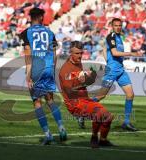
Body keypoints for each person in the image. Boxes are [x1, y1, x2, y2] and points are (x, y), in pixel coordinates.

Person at [19, 7, 67, 145]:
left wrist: (28, 75)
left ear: (31, 18)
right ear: (40, 17)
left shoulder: (26, 33)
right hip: (48, 68)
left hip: (36, 69)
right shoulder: (50, 32)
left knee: (37, 102)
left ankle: (48, 135)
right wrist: (52, 69)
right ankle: (62, 128)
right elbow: (54, 53)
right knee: (50, 100)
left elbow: (28, 55)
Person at [59, 41, 114, 148]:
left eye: (81, 53)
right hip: (74, 103)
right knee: (99, 114)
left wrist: (90, 78)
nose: (79, 56)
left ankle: (103, 140)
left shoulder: (78, 64)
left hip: (84, 100)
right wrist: (84, 81)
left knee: (108, 117)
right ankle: (94, 137)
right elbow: (69, 91)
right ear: (70, 53)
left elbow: (82, 82)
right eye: (76, 53)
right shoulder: (65, 70)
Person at [94, 18, 144, 131]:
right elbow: (114, 53)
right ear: (112, 26)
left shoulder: (119, 37)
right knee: (101, 96)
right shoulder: (111, 36)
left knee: (130, 95)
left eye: (120, 25)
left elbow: (104, 49)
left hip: (121, 70)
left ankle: (126, 122)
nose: (118, 27)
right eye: (116, 25)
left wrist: (108, 61)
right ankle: (81, 113)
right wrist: (132, 53)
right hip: (112, 71)